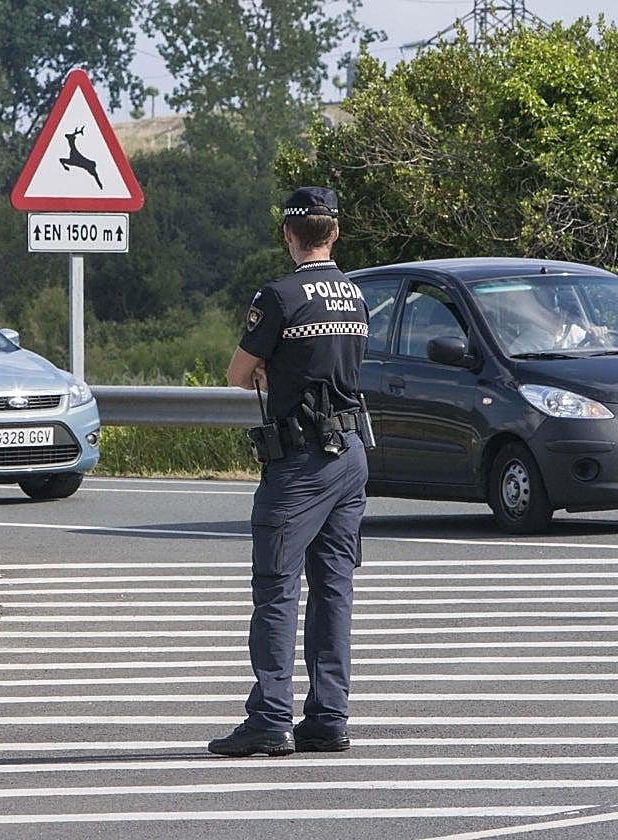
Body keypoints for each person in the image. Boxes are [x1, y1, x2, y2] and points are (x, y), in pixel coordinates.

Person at [208, 187, 371, 758]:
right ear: (334, 233)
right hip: (350, 453)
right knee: (334, 589)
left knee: (277, 587)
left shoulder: (278, 296)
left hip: (300, 460)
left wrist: (269, 373)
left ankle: (271, 719)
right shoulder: (355, 295)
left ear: (288, 235)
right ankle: (329, 716)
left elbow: (237, 372)